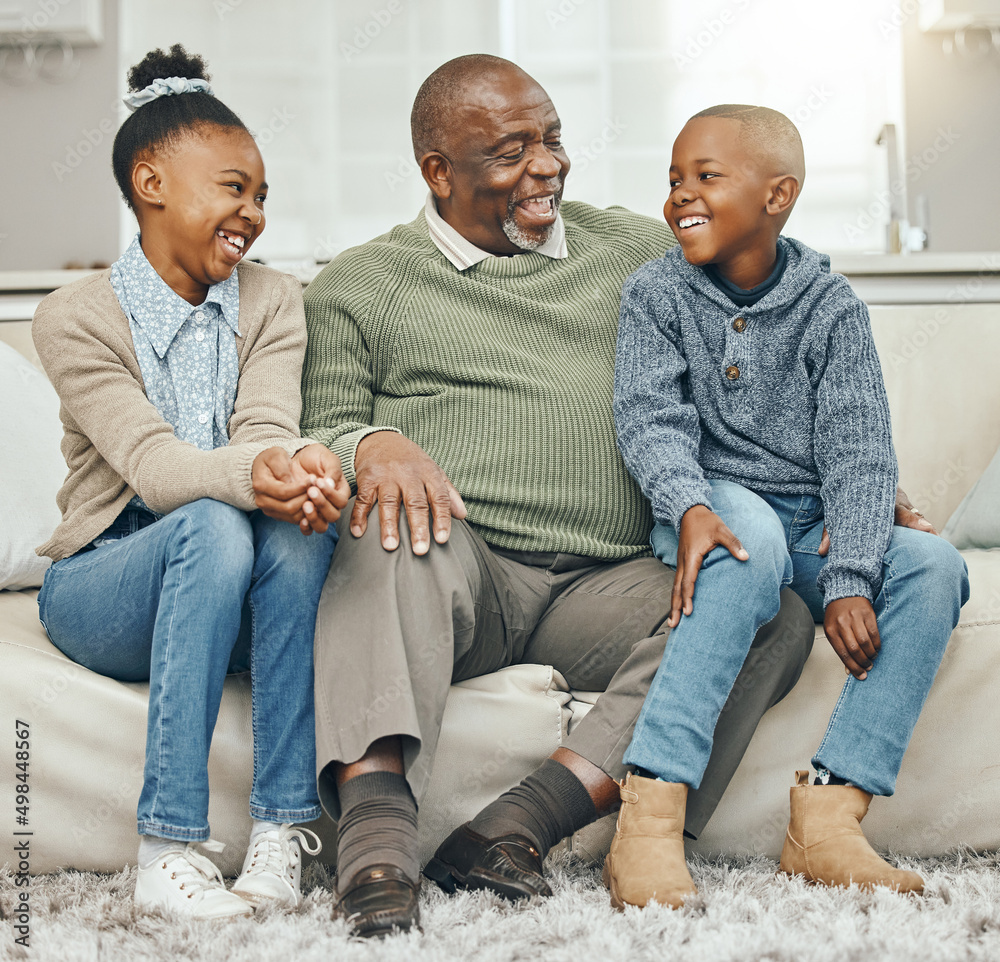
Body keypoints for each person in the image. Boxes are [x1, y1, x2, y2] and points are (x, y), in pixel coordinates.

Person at [295, 56, 926, 939]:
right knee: (382, 530)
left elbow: (761, 360)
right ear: (439, 172)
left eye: (553, 139)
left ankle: (521, 825)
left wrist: (853, 482)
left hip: (615, 575)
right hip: (463, 565)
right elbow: (317, 426)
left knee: (768, 609)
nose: (547, 165)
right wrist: (371, 442)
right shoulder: (360, 285)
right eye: (512, 150)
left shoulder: (637, 251)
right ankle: (374, 844)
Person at [605, 104, 970, 910]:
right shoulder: (656, 292)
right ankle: (649, 823)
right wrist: (687, 502)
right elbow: (649, 418)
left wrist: (851, 571)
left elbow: (859, 450)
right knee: (750, 538)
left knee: (935, 566)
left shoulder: (830, 305)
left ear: (778, 196)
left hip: (810, 521)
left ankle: (831, 817)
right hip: (711, 505)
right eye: (673, 179)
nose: (681, 195)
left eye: (706, 176)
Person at [32, 45, 350, 920]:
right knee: (213, 519)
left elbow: (263, 430)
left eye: (260, 196)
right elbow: (153, 465)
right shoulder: (75, 317)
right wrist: (258, 473)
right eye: (232, 188)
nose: (250, 214)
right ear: (151, 182)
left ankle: (283, 833)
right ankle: (166, 847)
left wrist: (299, 469)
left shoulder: (274, 301)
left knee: (294, 527)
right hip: (107, 583)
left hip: (235, 574)